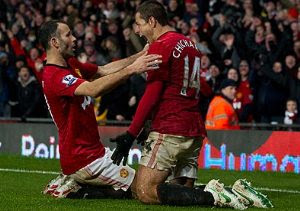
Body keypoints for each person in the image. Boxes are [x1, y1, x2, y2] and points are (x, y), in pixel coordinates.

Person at [110, 1, 272, 209]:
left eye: (139, 24)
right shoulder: (190, 44)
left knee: (144, 191)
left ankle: (214, 195)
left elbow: (153, 93)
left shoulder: (161, 45)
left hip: (170, 128)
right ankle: (236, 192)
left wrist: (131, 133)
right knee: (181, 192)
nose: (138, 31)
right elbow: (198, 88)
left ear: (152, 21)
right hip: (192, 130)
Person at [39, 19, 162, 198]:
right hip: (83, 159)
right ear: (54, 42)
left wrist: (139, 56)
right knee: (144, 189)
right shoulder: (54, 76)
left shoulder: (71, 63)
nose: (74, 39)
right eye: (68, 35)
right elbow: (93, 89)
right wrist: (132, 70)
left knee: (129, 190)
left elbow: (103, 70)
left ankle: (77, 188)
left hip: (93, 153)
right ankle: (76, 187)